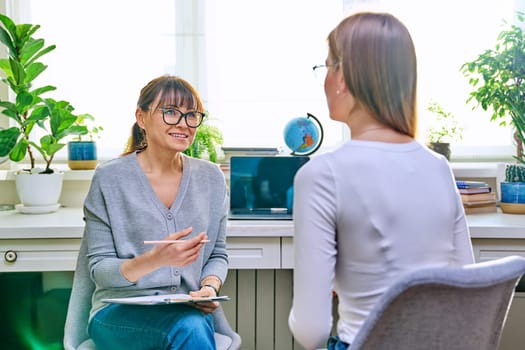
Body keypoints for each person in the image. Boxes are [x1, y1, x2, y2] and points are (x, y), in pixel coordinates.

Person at [288, 12, 474, 350]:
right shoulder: (439, 168)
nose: (325, 79)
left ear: (344, 76)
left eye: (327, 66)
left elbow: (310, 331)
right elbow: (466, 288)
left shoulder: (321, 174)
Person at [84, 75, 229, 349]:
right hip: (116, 316)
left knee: (190, 326)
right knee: (188, 331)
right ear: (142, 117)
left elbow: (217, 253)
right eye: (171, 112)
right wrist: (154, 260)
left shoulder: (211, 178)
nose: (183, 124)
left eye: (191, 115)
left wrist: (209, 287)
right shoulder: (110, 178)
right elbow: (100, 270)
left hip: (187, 313)